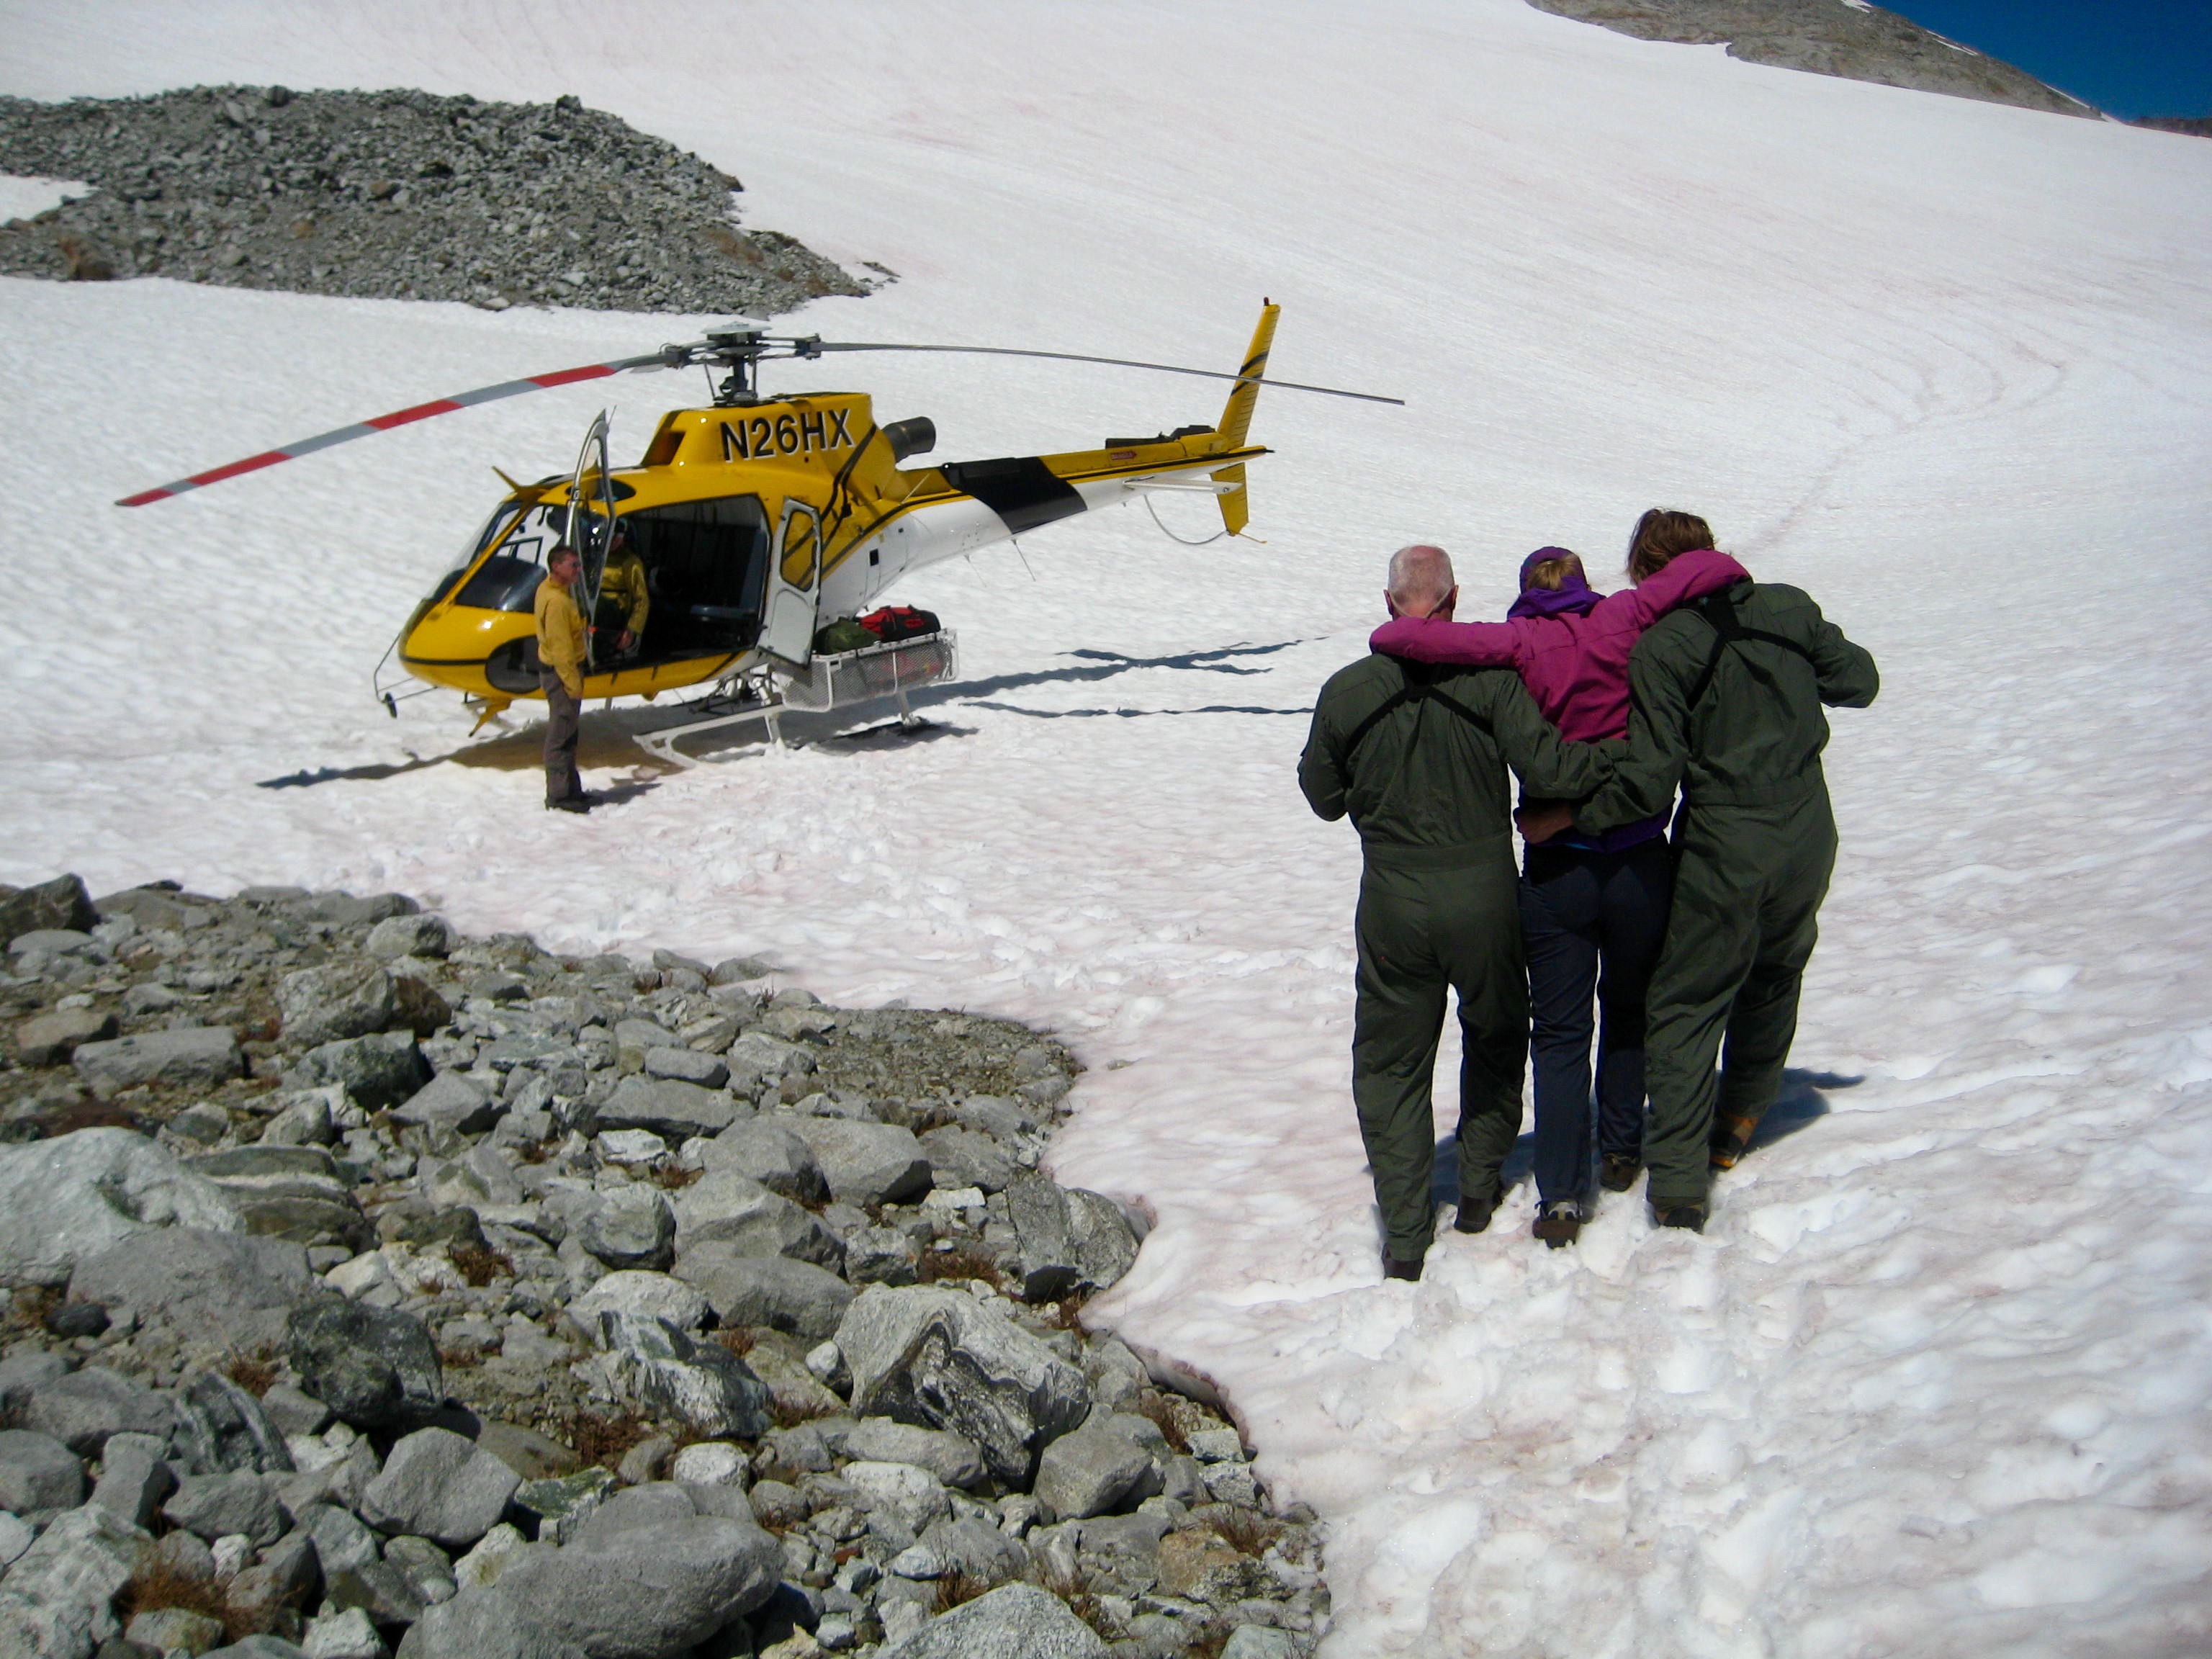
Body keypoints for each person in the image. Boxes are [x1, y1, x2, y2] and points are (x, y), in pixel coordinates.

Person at [1369, 542, 1748, 1246]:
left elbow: (1407, 636)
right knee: (1630, 1010)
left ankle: (1563, 1195)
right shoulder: (1626, 617)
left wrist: (1386, 628)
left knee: (1562, 1035)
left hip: (1557, 867)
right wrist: (1731, 574)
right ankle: (1624, 1147)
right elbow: (1702, 568)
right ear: (1584, 585)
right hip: (1639, 859)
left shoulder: (1519, 641)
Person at [1300, 544, 1621, 1282]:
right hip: (1485, 892)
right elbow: (1548, 766)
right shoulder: (1493, 682)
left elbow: (1321, 795)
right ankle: (1478, 1189)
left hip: (1391, 898)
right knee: (1498, 1033)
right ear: (1452, 602)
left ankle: (1407, 1236)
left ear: (1389, 604)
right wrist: (1617, 770)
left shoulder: (1349, 690)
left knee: (1391, 1064)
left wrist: (1373, 804)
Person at [1555, 510, 1879, 1231]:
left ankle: (1676, 1183)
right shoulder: (1788, 607)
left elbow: (1652, 777)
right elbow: (1858, 681)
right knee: (1775, 972)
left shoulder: (1664, 648)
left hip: (1726, 838)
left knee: (1687, 998)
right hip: (1807, 825)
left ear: (1645, 572)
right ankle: (1736, 1119)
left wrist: (1574, 813)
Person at [535, 542, 592, 813]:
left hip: (560, 672)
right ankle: (559, 795)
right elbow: (562, 650)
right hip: (561, 675)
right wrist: (573, 685)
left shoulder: (553, 589)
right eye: (573, 565)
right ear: (556, 567)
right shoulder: (557, 602)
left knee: (569, 731)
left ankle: (572, 790)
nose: (578, 571)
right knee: (561, 735)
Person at [595, 529, 651, 665]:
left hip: (616, 618)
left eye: (617, 536)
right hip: (593, 615)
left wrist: (632, 630)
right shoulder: (593, 557)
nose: (613, 539)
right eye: (608, 535)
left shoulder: (631, 562)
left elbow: (642, 600)